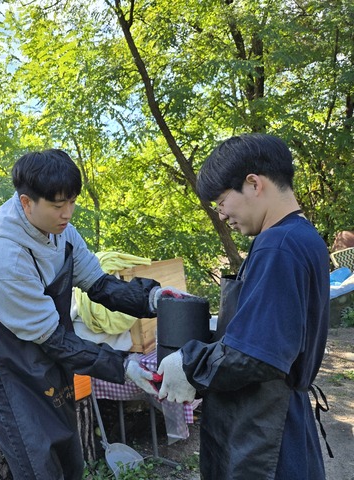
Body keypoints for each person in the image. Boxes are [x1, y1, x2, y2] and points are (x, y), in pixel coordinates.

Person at [0, 149, 183, 479]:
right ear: (27, 203)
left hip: (47, 358)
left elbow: (98, 285)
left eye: (71, 202)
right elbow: (55, 340)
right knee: (38, 467)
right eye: (57, 205)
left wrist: (153, 298)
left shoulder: (62, 233)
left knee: (69, 458)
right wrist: (124, 366)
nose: (67, 213)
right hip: (7, 372)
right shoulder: (8, 264)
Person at [157, 133, 330, 479]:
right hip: (281, 419)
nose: (222, 215)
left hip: (268, 430)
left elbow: (259, 354)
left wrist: (190, 364)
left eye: (222, 201)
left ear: (253, 184)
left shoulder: (277, 245)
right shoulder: (303, 237)